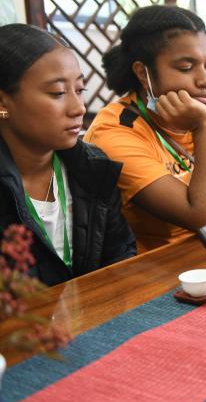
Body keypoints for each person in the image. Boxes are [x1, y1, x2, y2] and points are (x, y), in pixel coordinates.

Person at [84, 6, 206, 252]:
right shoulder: (113, 133)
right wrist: (203, 126)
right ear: (143, 73)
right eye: (186, 68)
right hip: (154, 266)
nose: (205, 80)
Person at [0, 24, 136, 286]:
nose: (79, 108)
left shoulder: (92, 167)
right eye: (58, 93)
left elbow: (121, 259)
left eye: (80, 90)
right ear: (3, 102)